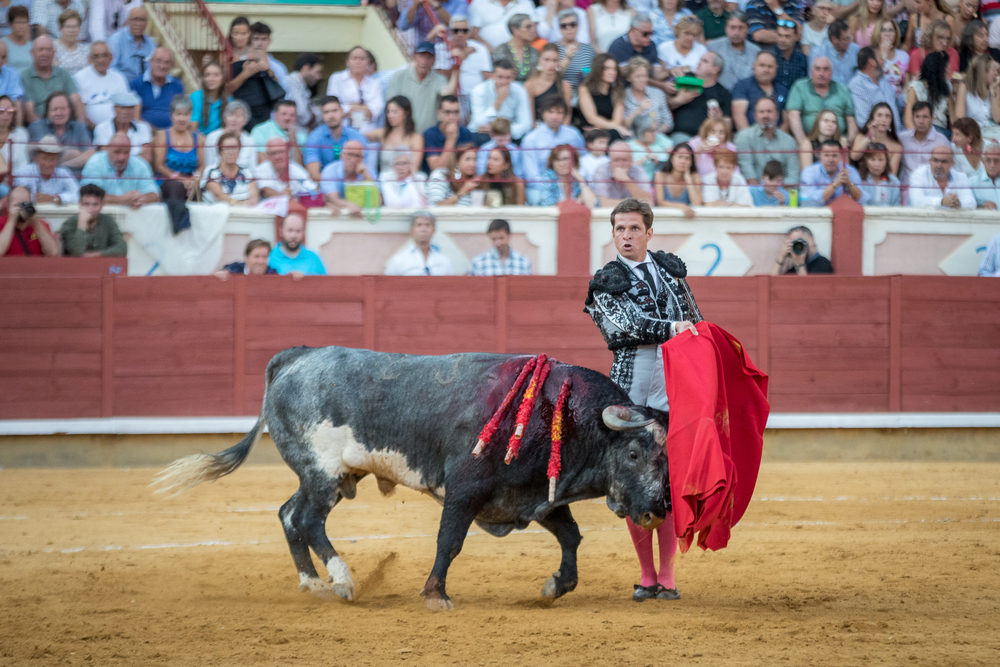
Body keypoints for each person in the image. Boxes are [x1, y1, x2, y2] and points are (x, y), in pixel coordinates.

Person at [583, 197, 702, 602]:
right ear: (612, 233)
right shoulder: (606, 281)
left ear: (649, 232)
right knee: (636, 485)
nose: (627, 236)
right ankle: (646, 575)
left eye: (634, 229)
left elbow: (696, 322)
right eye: (620, 229)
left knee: (666, 483)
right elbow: (622, 329)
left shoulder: (671, 271)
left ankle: (666, 576)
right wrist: (674, 327)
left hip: (673, 384)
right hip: (629, 389)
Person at [521, 96, 585, 204]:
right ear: (542, 113)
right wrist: (552, 187)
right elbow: (532, 177)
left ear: (565, 115)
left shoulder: (573, 134)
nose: (554, 116)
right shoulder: (531, 139)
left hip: (571, 184)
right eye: (550, 112)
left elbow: (582, 161)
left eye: (559, 113)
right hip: (541, 187)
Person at [386, 41, 457, 133]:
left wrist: (456, 70)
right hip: (404, 135)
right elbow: (390, 105)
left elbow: (448, 94)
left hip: (427, 136)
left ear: (434, 61)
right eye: (421, 56)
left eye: (428, 58)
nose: (424, 61)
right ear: (415, 57)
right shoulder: (399, 76)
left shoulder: (439, 79)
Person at [225, 22, 286, 130]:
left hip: (267, 113)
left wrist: (268, 70)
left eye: (263, 39)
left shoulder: (278, 66)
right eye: (256, 39)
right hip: (241, 112)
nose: (259, 43)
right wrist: (246, 72)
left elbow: (280, 89)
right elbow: (227, 89)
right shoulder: (235, 60)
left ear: (269, 41)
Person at [433, 15, 492, 123]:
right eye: (456, 31)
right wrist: (459, 60)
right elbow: (442, 79)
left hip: (475, 96)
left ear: (469, 32)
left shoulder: (480, 48)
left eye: (464, 31)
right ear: (450, 32)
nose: (460, 34)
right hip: (451, 96)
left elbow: (488, 78)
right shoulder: (441, 48)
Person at [787, 57, 858, 145]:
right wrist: (804, 144)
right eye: (817, 69)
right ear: (811, 71)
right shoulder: (800, 87)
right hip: (808, 141)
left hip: (838, 143)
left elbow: (851, 119)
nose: (821, 73)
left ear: (831, 72)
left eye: (826, 69)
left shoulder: (843, 90)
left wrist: (849, 142)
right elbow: (793, 116)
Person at [80, 131, 159, 208]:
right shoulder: (95, 162)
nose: (122, 157)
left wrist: (141, 199)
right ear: (107, 149)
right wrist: (122, 200)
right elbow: (89, 196)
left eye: (126, 152)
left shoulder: (141, 165)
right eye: (117, 152)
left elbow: (154, 194)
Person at [304, 95, 371, 184]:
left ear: (342, 112)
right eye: (326, 112)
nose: (331, 116)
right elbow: (314, 175)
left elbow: (364, 169)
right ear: (322, 115)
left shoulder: (356, 136)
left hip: (354, 186)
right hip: (324, 187)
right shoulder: (314, 137)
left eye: (334, 111)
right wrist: (333, 189)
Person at [667, 52, 731, 142]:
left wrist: (719, 118)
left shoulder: (723, 93)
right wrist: (678, 100)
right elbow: (663, 102)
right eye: (700, 60)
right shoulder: (686, 78)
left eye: (704, 61)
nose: (699, 63)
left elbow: (728, 123)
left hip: (708, 138)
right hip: (682, 135)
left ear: (715, 69)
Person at [22, 35, 86, 124]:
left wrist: (80, 125)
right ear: (32, 53)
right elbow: (29, 111)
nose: (44, 53)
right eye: (40, 50)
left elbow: (76, 101)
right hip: (39, 125)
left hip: (66, 125)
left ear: (53, 52)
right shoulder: (25, 76)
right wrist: (43, 130)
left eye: (48, 50)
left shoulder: (63, 74)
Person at [735, 97, 799, 184]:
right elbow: (747, 170)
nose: (766, 116)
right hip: (754, 192)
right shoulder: (744, 137)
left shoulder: (789, 141)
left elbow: (793, 174)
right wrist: (762, 193)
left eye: (769, 111)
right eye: (761, 112)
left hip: (781, 192)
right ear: (755, 116)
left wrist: (777, 191)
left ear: (777, 115)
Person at [27, 90, 94, 171]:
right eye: (55, 109)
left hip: (75, 178)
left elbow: (90, 153)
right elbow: (45, 154)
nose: (59, 113)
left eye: (63, 109)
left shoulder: (78, 127)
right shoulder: (37, 127)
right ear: (48, 111)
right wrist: (76, 154)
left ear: (70, 110)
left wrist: (63, 166)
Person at [152, 96, 203, 201]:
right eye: (178, 114)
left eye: (186, 114)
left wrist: (195, 178)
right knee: (177, 187)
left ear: (190, 116)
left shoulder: (197, 137)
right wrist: (180, 178)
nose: (182, 118)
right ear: (171, 115)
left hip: (190, 180)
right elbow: (159, 166)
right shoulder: (163, 135)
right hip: (168, 180)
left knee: (200, 190)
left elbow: (202, 165)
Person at [326, 46, 383, 135]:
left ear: (367, 62)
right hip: (342, 132)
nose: (358, 62)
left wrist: (350, 107)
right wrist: (364, 108)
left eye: (362, 59)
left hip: (367, 132)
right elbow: (333, 105)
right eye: (354, 58)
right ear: (347, 62)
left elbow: (377, 108)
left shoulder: (375, 82)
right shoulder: (337, 78)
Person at [469, 59, 532, 140]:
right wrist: (498, 102)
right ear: (492, 75)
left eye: (508, 78)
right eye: (500, 77)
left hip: (509, 134)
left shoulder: (520, 91)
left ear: (513, 77)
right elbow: (479, 122)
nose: (504, 81)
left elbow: (526, 124)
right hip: (483, 135)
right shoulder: (479, 91)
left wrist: (500, 130)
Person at [58, 183, 127, 257]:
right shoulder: (70, 223)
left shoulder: (108, 221)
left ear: (102, 205)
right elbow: (77, 252)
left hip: (102, 266)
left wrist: (93, 255)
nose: (90, 208)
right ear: (80, 204)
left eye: (95, 204)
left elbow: (121, 248)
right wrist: (82, 224)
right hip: (75, 267)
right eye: (86, 204)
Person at [365, 95, 424, 179]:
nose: (390, 115)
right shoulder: (382, 133)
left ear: (406, 113)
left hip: (406, 183)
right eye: (388, 111)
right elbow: (358, 137)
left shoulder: (416, 138)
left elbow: (415, 167)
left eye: (395, 112)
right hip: (384, 183)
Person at [73, 40, 129, 129]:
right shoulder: (80, 78)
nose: (101, 60)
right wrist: (98, 130)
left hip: (118, 129)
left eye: (104, 55)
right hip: (90, 129)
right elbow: (80, 112)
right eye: (96, 56)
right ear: (90, 58)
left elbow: (125, 107)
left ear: (111, 57)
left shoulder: (119, 78)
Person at [579, 54, 631, 142]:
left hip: (608, 131)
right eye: (607, 69)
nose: (612, 73)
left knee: (615, 134)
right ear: (598, 70)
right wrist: (617, 127)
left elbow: (617, 121)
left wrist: (608, 127)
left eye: (614, 69)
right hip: (591, 134)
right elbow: (591, 118)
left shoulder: (618, 91)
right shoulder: (585, 89)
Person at [128, 47, 183, 131]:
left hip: (171, 134)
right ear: (151, 62)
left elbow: (180, 113)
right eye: (158, 61)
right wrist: (152, 131)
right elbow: (134, 117)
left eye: (166, 62)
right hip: (145, 133)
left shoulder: (177, 85)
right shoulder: (137, 84)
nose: (162, 66)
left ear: (172, 65)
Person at [384, 210, 455, 275]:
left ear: (433, 229)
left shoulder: (443, 261)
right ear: (411, 229)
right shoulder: (399, 261)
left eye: (427, 225)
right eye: (419, 225)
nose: (423, 229)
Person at [801, 139, 868, 206]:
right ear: (820, 156)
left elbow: (861, 198)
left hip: (842, 213)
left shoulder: (850, 170)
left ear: (841, 156)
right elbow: (811, 200)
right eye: (826, 155)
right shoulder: (809, 172)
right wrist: (836, 183)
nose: (830, 160)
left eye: (834, 155)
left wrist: (849, 182)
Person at [14, 134, 79, 203]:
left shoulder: (63, 173)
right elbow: (18, 196)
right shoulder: (25, 172)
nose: (47, 164)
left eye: (52, 159)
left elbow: (78, 194)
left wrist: (55, 198)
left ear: (57, 161)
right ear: (36, 158)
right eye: (44, 158)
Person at [731, 51, 787, 131]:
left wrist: (777, 140)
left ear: (776, 68)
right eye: (762, 65)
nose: (766, 70)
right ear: (754, 66)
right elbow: (739, 116)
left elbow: (786, 122)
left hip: (776, 139)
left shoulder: (783, 90)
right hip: (750, 138)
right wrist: (749, 139)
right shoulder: (742, 86)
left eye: (770, 66)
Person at [200, 131, 259, 206]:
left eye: (234, 148)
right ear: (220, 151)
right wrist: (241, 204)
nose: (231, 152)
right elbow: (219, 196)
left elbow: (254, 196)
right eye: (227, 148)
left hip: (245, 214)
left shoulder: (246, 172)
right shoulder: (211, 172)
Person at [908, 144, 977, 208]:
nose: (939, 165)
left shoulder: (961, 177)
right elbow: (916, 201)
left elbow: (971, 203)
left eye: (944, 161)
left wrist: (959, 203)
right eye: (935, 160)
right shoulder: (919, 175)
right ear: (930, 161)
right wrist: (941, 201)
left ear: (952, 163)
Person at [93, 90, 152, 163]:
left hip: (137, 171)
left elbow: (146, 157)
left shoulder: (143, 127)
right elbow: (104, 155)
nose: (126, 112)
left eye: (130, 108)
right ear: (115, 109)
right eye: (123, 108)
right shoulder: (102, 128)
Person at [0, 185, 60, 256]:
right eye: (17, 205)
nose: (21, 209)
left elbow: (53, 253)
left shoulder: (41, 225)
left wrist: (36, 222)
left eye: (25, 204)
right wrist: (11, 221)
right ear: (9, 206)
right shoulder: (1, 223)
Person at [320, 139, 376, 216]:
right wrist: (348, 204)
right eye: (350, 155)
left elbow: (378, 199)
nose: (353, 160)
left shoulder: (368, 172)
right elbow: (333, 199)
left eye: (357, 156)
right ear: (342, 155)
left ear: (362, 158)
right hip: (339, 219)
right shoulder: (330, 170)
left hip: (364, 218)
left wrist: (366, 175)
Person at [899, 101, 950, 184]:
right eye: (917, 117)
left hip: (932, 187)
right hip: (907, 186)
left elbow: (949, 168)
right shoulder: (903, 138)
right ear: (912, 118)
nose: (921, 121)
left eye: (925, 117)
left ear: (932, 118)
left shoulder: (942, 141)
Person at [904, 51, 953, 136]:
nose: (949, 72)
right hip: (920, 132)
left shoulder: (947, 86)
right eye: (946, 71)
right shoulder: (916, 88)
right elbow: (908, 121)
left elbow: (953, 119)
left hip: (941, 133)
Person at [708, 12, 761, 90]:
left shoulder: (756, 51)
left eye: (741, 28)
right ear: (726, 28)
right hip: (719, 97)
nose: (736, 33)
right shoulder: (714, 47)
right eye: (732, 28)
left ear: (747, 29)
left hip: (746, 97)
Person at [423, 94, 475, 173]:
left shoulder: (466, 133)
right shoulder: (429, 134)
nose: (452, 117)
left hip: (460, 175)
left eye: (456, 112)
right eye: (447, 112)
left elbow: (470, 165)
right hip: (438, 178)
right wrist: (451, 140)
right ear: (439, 114)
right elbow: (436, 169)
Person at [591, 140, 653, 206]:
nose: (620, 164)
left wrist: (626, 180)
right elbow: (603, 204)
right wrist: (636, 203)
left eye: (624, 160)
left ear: (631, 160)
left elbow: (648, 201)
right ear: (610, 161)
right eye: (616, 160)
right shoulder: (602, 171)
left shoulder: (638, 171)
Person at [623, 56, 673, 136]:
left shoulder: (658, 93)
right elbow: (623, 125)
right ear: (629, 78)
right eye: (638, 76)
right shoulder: (623, 96)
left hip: (657, 138)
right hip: (632, 140)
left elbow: (668, 122)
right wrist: (639, 110)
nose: (642, 80)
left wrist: (654, 135)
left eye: (645, 76)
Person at [849, 101, 903, 176]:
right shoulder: (861, 137)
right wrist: (869, 137)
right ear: (872, 118)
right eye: (879, 115)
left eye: (887, 116)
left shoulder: (897, 147)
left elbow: (892, 175)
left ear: (891, 120)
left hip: (883, 185)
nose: (883, 120)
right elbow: (854, 156)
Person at [554, 8, 596, 101]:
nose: (569, 29)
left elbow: (594, 73)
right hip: (560, 96)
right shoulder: (553, 48)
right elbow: (552, 74)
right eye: (564, 26)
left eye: (573, 24)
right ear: (559, 28)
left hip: (586, 95)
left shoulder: (588, 49)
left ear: (578, 26)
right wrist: (567, 58)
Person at [524, 44, 572, 123]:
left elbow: (567, 115)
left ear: (559, 62)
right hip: (538, 127)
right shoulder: (530, 85)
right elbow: (530, 117)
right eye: (546, 60)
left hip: (560, 128)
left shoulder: (565, 85)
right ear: (540, 60)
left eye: (555, 60)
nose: (551, 64)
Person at [269, 212, 327, 276]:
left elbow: (326, 283)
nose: (294, 236)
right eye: (290, 230)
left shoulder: (313, 258)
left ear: (303, 233)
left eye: (298, 231)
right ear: (281, 232)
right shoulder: (270, 256)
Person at [653, 142, 702, 217]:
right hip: (665, 218)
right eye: (680, 157)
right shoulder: (660, 176)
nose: (683, 161)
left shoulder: (695, 177)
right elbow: (660, 202)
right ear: (672, 158)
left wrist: (688, 179)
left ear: (691, 162)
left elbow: (697, 204)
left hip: (688, 222)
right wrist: (682, 207)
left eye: (687, 158)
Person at [468, 218, 532, 275]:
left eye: (501, 238)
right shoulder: (478, 262)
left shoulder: (523, 262)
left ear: (509, 236)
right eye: (494, 239)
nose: (498, 243)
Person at [107, 5, 153, 83]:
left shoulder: (151, 44)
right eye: (135, 19)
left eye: (142, 20)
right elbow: (110, 69)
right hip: (122, 86)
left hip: (145, 87)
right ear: (128, 21)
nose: (138, 23)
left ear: (146, 23)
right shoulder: (116, 40)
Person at [808, 20, 860, 86]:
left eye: (849, 38)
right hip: (828, 93)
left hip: (851, 93)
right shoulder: (818, 53)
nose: (849, 42)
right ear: (834, 39)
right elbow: (813, 81)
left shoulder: (855, 49)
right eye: (845, 39)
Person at [959, 54, 1000, 138]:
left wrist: (992, 91)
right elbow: (960, 119)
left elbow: (998, 119)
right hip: (972, 133)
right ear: (983, 72)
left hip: (993, 131)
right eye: (994, 70)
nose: (996, 73)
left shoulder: (995, 88)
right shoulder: (964, 88)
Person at [468, 0, 535, 50]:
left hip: (518, 51)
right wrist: (489, 50)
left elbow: (532, 29)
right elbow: (473, 33)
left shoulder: (526, 3)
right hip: (486, 52)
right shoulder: (479, 2)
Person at [284, 53, 323, 133]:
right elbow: (301, 113)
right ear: (306, 68)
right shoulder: (290, 82)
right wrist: (314, 115)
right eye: (317, 72)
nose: (319, 77)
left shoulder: (303, 87)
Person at [492, 14, 538, 83]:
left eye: (533, 26)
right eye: (528, 27)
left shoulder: (533, 51)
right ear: (515, 30)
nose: (532, 30)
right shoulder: (501, 50)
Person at [873, 17, 910, 99]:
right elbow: (873, 79)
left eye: (891, 30)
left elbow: (906, 84)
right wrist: (884, 54)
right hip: (878, 97)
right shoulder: (871, 54)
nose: (887, 34)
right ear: (877, 33)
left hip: (899, 99)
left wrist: (902, 97)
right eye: (883, 30)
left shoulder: (904, 56)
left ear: (895, 33)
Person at [628, 114, 673, 180]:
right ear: (641, 132)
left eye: (655, 130)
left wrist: (660, 162)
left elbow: (673, 153)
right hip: (639, 182)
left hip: (661, 181)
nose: (654, 133)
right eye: (651, 131)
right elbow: (629, 168)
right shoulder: (629, 146)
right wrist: (646, 158)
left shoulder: (659, 139)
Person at [769, 20, 809, 90]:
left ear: (796, 37)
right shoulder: (769, 57)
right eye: (780, 35)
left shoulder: (802, 59)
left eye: (787, 36)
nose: (782, 40)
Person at [859, 141, 902, 205]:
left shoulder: (894, 181)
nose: (877, 164)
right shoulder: (860, 180)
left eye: (880, 159)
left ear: (886, 161)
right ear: (866, 161)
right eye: (872, 159)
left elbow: (896, 207)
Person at [189, 61, 226, 134]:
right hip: (199, 141)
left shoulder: (228, 99)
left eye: (216, 75)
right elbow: (193, 128)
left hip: (220, 141)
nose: (211, 79)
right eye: (207, 75)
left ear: (222, 78)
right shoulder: (196, 96)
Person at [0, 94, 29, 185]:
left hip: (14, 184)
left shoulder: (21, 134)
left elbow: (23, 167)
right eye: (1, 111)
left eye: (10, 111)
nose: (6, 115)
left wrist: (12, 179)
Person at [51, 9, 86, 75]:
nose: (71, 30)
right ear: (60, 28)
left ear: (79, 28)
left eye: (75, 27)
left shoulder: (85, 50)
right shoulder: (52, 47)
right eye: (67, 27)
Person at [970, 141, 1000, 209]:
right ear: (983, 161)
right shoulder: (972, 183)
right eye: (988, 160)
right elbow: (967, 206)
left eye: (996, 160)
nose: (992, 165)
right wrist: (982, 207)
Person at [2, 5, 32, 72]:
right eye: (17, 22)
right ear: (10, 24)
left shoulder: (32, 45)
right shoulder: (3, 44)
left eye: (24, 22)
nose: (21, 26)